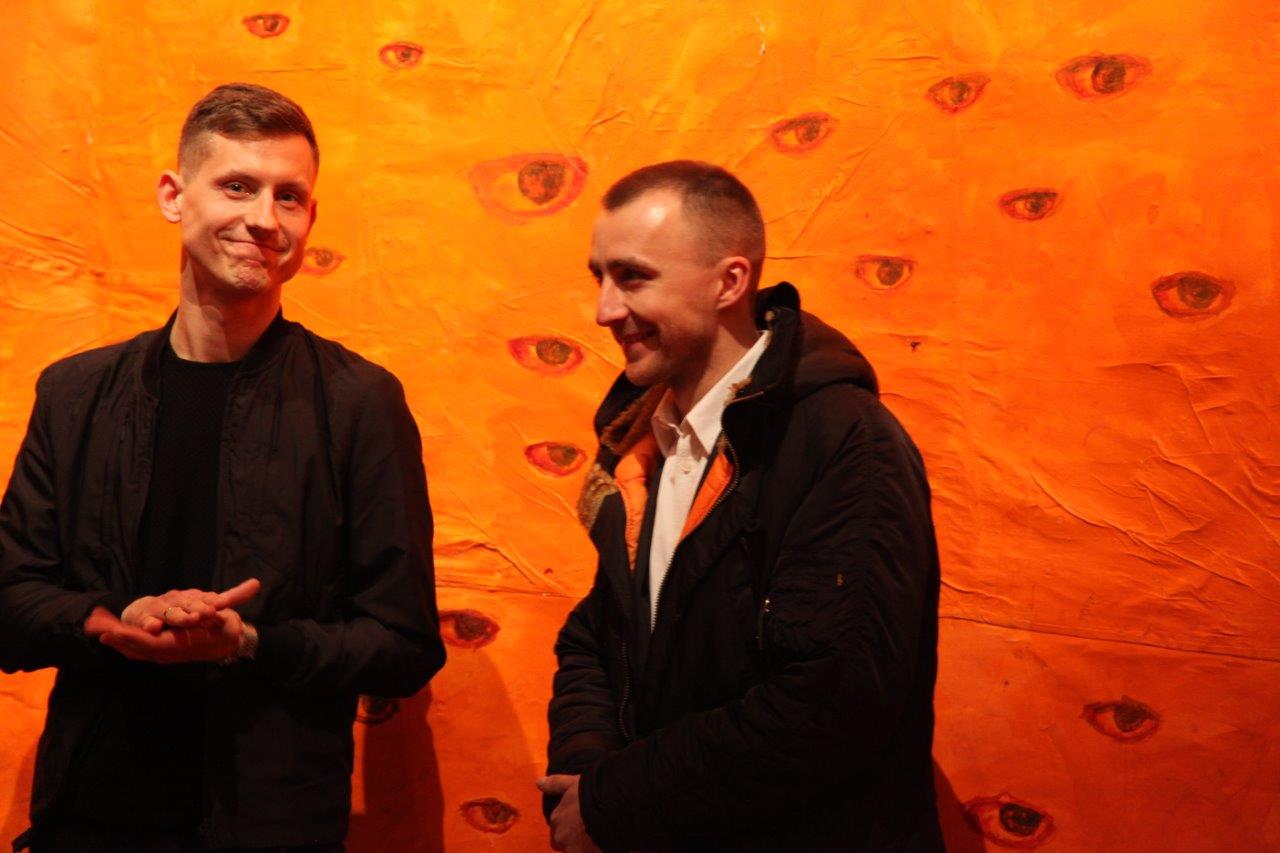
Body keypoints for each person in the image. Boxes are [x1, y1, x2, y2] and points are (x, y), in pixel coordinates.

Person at [0, 83, 444, 851]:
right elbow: (10, 602)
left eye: (289, 196)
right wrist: (114, 619)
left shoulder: (359, 402)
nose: (265, 219)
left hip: (272, 828)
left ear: (310, 219)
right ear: (174, 196)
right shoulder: (74, 393)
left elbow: (404, 642)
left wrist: (251, 642)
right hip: (91, 817)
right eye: (238, 186)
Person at [538, 161, 943, 851]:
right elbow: (598, 636)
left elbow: (831, 703)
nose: (604, 310)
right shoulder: (647, 441)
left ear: (729, 282)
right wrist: (584, 771)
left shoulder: (846, 441)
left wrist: (612, 801)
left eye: (633, 277)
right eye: (599, 277)